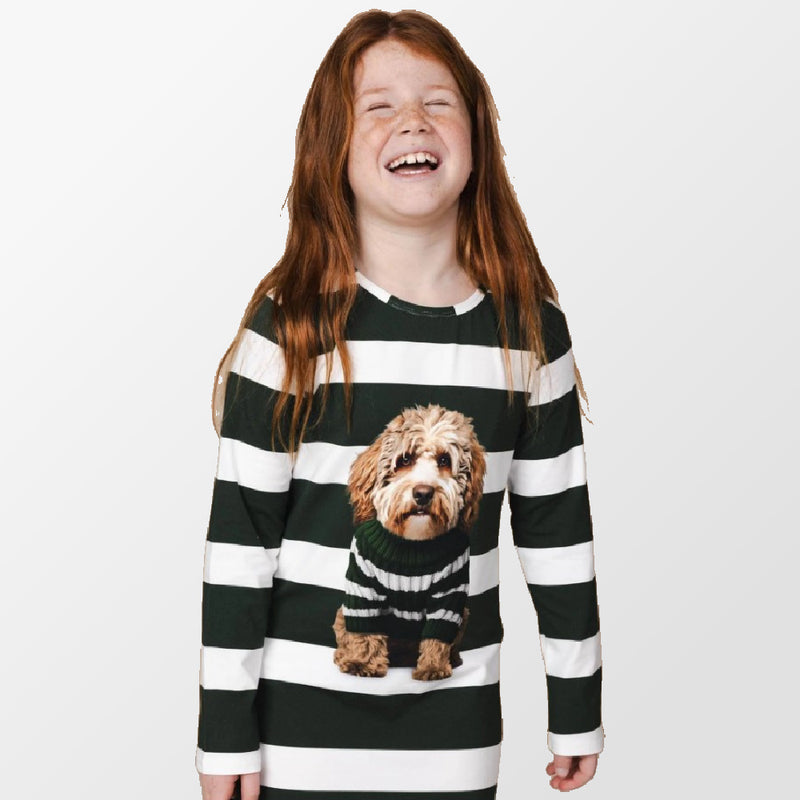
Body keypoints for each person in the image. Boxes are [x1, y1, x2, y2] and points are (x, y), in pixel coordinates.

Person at [196, 9, 604, 799]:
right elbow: (240, 547)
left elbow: (559, 537)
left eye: (437, 101)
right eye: (378, 106)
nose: (412, 120)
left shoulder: (528, 333)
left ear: (477, 137)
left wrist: (577, 709)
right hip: (293, 744)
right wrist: (224, 735)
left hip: (456, 741)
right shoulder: (290, 327)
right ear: (334, 149)